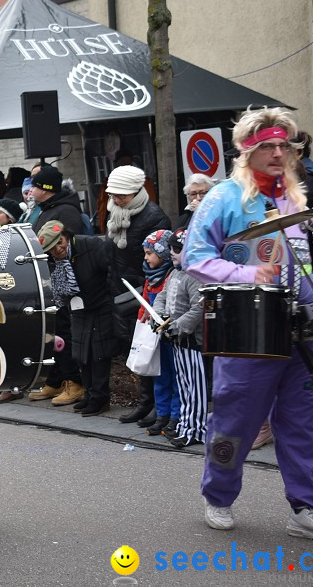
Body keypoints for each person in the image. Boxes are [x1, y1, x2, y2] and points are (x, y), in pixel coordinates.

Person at [184, 107, 313, 540]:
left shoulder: (295, 195)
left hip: (299, 325)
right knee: (235, 420)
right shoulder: (223, 196)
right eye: (269, 146)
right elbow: (194, 259)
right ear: (248, 151)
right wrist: (246, 274)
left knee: (301, 422)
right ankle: (219, 495)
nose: (280, 153)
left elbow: (303, 263)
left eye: (285, 146)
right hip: (246, 326)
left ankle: (306, 506)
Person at [106, 164, 171, 426]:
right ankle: (144, 402)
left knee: (152, 349)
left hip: (144, 290)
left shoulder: (154, 217)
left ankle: (156, 403)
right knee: (137, 348)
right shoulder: (115, 211)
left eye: (121, 195)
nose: (116, 199)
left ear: (136, 192)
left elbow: (157, 260)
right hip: (121, 287)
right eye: (113, 194)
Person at [38, 221, 115, 416]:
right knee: (82, 353)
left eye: (60, 243)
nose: (57, 250)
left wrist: (107, 298)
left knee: (99, 353)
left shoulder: (91, 245)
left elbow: (111, 273)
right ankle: (88, 394)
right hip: (77, 307)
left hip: (99, 305)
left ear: (66, 235)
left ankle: (100, 397)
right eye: (51, 249)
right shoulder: (56, 260)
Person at [25, 165, 86, 408]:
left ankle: (74, 381)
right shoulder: (48, 209)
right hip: (50, 282)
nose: (31, 190)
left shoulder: (66, 212)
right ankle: (56, 379)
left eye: (36, 185)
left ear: (46, 189)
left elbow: (69, 249)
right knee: (55, 332)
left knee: (67, 332)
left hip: (66, 285)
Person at [155, 229, 206, 448]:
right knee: (184, 387)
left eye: (177, 249)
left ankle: (196, 429)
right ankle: (186, 425)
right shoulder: (174, 273)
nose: (172, 253)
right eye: (171, 249)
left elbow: (199, 308)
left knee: (194, 388)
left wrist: (176, 326)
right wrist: (157, 317)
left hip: (191, 342)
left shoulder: (195, 276)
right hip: (176, 340)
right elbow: (161, 296)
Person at [139, 230, 178, 437]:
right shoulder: (150, 277)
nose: (145, 258)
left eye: (149, 253)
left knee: (176, 377)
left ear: (162, 254)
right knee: (160, 375)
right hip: (155, 334)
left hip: (172, 334)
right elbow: (145, 302)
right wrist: (141, 322)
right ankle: (162, 415)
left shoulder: (172, 275)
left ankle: (176, 416)